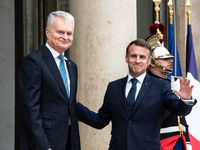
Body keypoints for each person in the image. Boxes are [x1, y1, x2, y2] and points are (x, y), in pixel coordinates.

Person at [76, 38, 196, 150]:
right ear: (126, 58)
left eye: (142, 57)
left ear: (149, 61)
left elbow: (178, 109)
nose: (137, 60)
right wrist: (72, 103)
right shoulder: (114, 87)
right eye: (133, 56)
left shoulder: (160, 86)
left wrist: (185, 100)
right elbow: (100, 121)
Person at [18, 11, 80, 150]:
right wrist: (44, 147)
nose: (65, 37)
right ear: (47, 32)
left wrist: (100, 119)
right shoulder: (34, 61)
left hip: (69, 143)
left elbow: (70, 104)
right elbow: (30, 109)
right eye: (60, 32)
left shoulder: (71, 66)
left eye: (69, 33)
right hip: (44, 144)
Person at [147, 29, 192, 150]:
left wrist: (185, 100)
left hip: (180, 139)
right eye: (165, 58)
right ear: (152, 62)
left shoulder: (168, 83)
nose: (171, 61)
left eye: (170, 58)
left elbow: (182, 115)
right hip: (161, 141)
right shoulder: (148, 84)